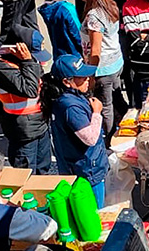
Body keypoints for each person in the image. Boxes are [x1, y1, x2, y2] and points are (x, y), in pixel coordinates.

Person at [0, 27, 53, 173]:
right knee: (25, 172)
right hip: (23, 130)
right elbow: (29, 90)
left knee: (43, 168)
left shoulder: (25, 61)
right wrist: (28, 61)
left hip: (40, 123)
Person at [49, 54, 109, 205]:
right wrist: (97, 112)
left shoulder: (65, 97)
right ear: (66, 82)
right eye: (81, 77)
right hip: (86, 171)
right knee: (94, 213)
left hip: (77, 166)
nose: (88, 78)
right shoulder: (71, 107)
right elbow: (90, 138)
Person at [83, 0, 126, 137]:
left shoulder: (94, 16)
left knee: (105, 106)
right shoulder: (110, 5)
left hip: (103, 69)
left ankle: (108, 138)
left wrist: (90, 74)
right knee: (117, 98)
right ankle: (128, 126)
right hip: (116, 62)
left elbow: (96, 51)